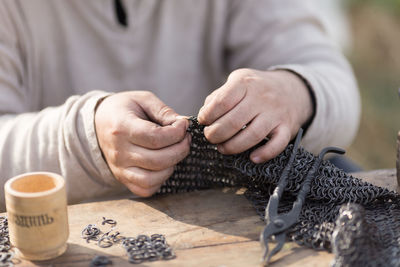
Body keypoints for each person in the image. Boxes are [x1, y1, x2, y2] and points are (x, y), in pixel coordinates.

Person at [0, 0, 360, 210]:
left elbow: (332, 79)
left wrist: (293, 92)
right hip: (73, 213)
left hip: (237, 192)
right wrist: (87, 139)